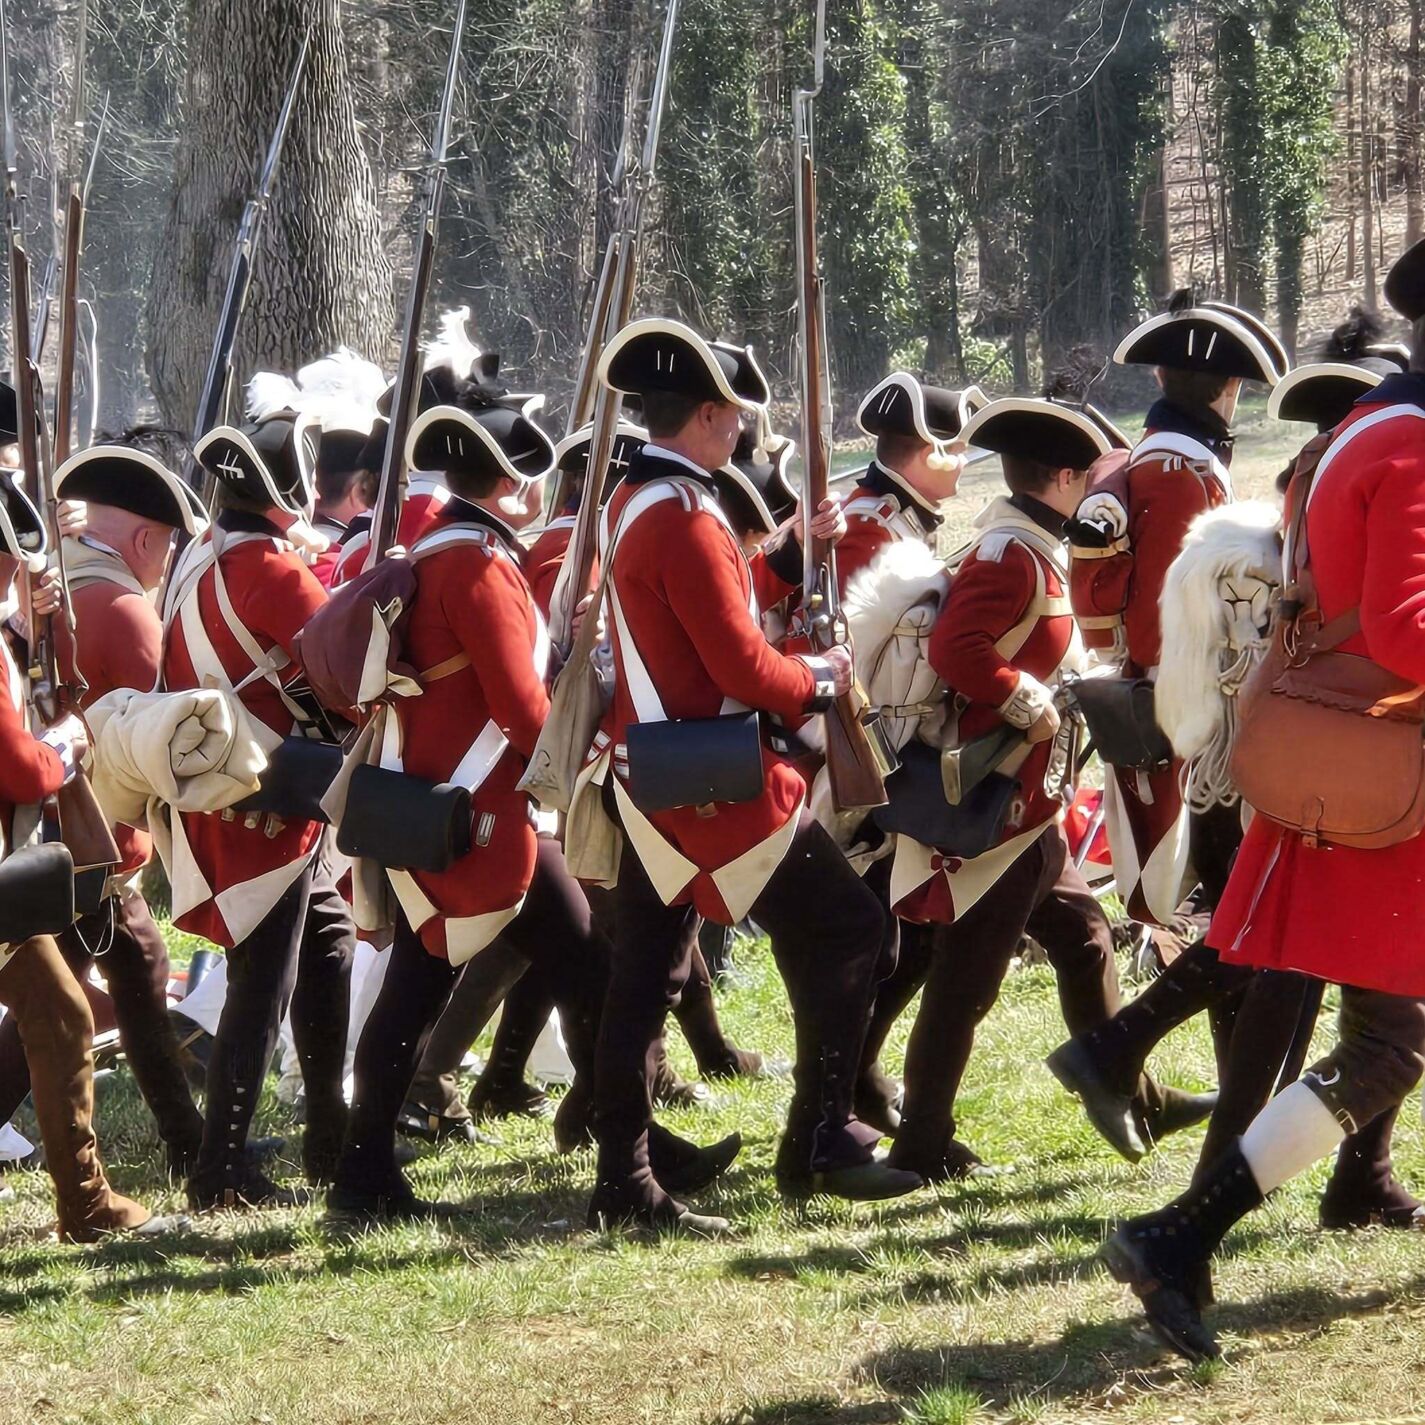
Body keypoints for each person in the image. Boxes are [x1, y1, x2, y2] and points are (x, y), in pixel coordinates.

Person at [1104, 236, 1425, 1362]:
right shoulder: (1411, 447)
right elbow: (1400, 629)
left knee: (1387, 1039)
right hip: (1388, 777)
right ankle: (1179, 1234)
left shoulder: (1358, 433)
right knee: (1389, 1046)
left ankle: (1185, 1234)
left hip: (1348, 761)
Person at [328, 378, 738, 1225]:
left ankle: (622, 1144)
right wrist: (584, 722)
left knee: (467, 977)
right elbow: (521, 712)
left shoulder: (446, 553)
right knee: (578, 972)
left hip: (438, 799)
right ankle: (372, 1167)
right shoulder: (478, 567)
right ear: (511, 485)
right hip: (474, 814)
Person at [579, 317, 921, 1231]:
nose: (740, 425)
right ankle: (819, 1137)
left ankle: (625, 1178)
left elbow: (699, 616)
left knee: (643, 975)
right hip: (713, 785)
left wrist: (778, 555)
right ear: (708, 415)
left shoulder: (643, 500)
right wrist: (820, 677)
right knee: (854, 933)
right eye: (731, 410)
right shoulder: (686, 517)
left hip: (654, 771)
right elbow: (738, 669)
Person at [1048, 293, 1288, 1161]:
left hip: (1167, 705)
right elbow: (1167, 620)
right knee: (1238, 913)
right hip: (1194, 714)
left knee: (1235, 909)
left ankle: (1220, 1095)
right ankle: (1181, 1084)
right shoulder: (1179, 476)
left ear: (1159, 378)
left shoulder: (1141, 459)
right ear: (1227, 390)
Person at [0, 431, 209, 1178]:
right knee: (68, 1001)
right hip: (58, 839)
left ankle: (189, 1144)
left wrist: (30, 622)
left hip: (57, 840)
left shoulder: (69, 597)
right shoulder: (121, 606)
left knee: (75, 995)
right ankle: (187, 1149)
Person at [164, 411, 350, 1209]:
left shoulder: (195, 558)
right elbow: (342, 672)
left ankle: (328, 1126)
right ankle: (220, 1166)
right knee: (261, 983)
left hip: (226, 785)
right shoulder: (276, 571)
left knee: (329, 937)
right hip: (270, 797)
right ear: (287, 490)